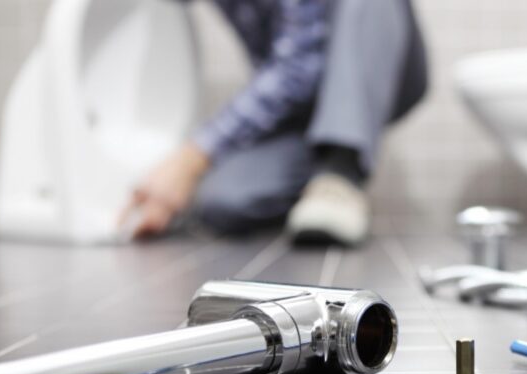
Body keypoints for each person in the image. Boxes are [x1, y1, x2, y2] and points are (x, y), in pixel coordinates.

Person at [122, 0, 427, 244]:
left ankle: (340, 172)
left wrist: (191, 158)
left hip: (381, 62)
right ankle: (321, 177)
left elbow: (298, 68)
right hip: (301, 112)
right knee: (223, 201)